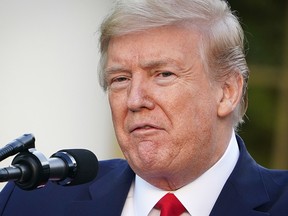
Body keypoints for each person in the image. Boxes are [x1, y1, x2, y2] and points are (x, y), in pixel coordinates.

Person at [0, 0, 288, 215]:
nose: (135, 100)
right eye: (121, 79)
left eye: (163, 75)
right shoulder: (31, 201)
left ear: (227, 92)